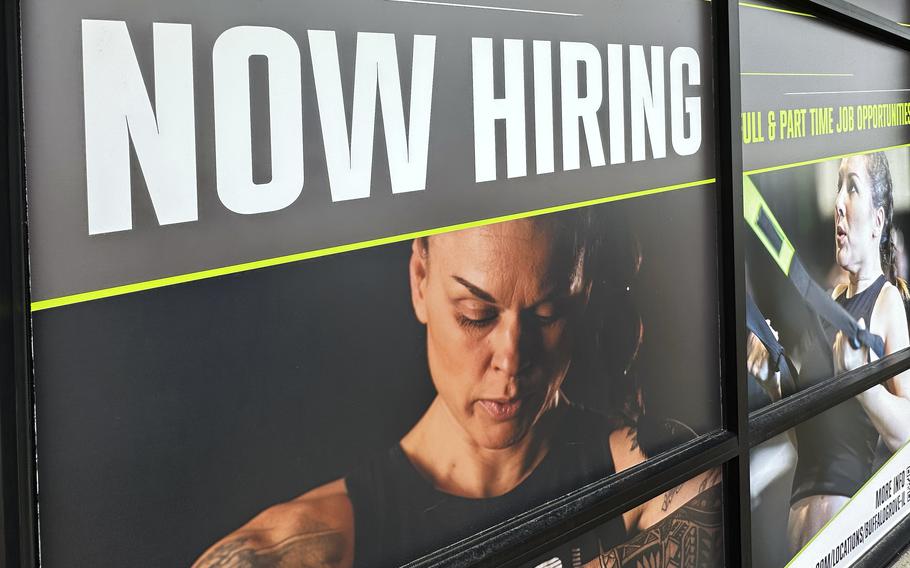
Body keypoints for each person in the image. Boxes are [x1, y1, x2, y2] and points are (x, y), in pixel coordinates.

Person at [192, 211, 720, 568]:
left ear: (580, 299)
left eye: (546, 313)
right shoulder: (311, 543)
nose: (510, 359)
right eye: (475, 315)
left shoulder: (655, 473)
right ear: (421, 279)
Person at [786, 152, 910, 552]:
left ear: (877, 221)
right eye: (839, 187)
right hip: (801, 545)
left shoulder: (885, 302)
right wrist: (776, 387)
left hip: (850, 546)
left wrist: (866, 386)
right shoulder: (825, 303)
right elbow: (810, 437)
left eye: (852, 188)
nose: (838, 203)